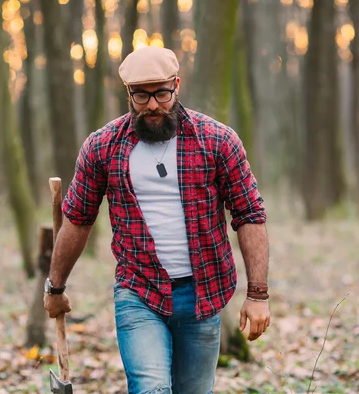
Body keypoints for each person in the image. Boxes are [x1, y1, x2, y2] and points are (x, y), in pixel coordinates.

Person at [44, 46, 270, 394]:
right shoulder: (103, 147)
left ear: (177, 86)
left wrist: (257, 294)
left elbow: (249, 214)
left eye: (161, 94)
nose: (152, 105)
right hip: (139, 292)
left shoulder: (217, 141)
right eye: (141, 96)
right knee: (150, 389)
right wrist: (55, 287)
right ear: (128, 94)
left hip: (203, 293)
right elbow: (77, 218)